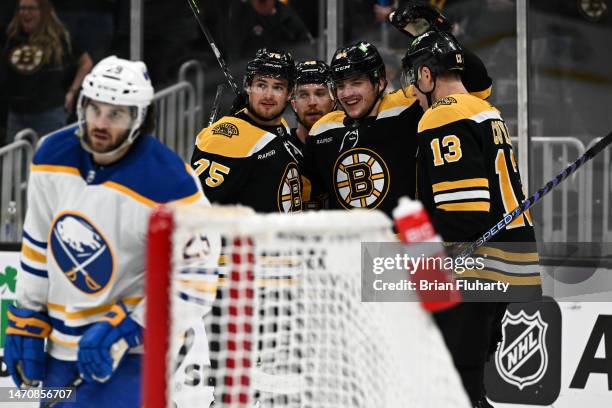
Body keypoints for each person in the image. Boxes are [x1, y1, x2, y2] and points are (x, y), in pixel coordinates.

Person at [3, 56, 216, 408]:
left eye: (116, 114)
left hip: (134, 352)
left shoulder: (171, 183)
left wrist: (127, 328)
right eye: (94, 109)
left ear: (139, 119)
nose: (100, 123)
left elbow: (197, 280)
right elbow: (40, 244)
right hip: (63, 347)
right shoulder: (51, 154)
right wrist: (27, 313)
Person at [403, 31, 541, 407]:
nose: (413, 90)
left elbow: (464, 209)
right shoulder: (485, 111)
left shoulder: (442, 114)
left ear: (428, 75)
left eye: (414, 79)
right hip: (513, 258)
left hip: (476, 262)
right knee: (469, 375)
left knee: (456, 378)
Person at [192, 48, 303, 213]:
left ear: (289, 94)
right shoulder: (224, 140)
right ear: (247, 86)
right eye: (261, 85)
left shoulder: (279, 124)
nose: (268, 95)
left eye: (278, 87)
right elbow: (196, 210)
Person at [0, 0, 92, 143]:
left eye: (31, 9)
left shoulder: (59, 37)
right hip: (16, 113)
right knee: (16, 162)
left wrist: (72, 91)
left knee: (48, 160)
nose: (25, 13)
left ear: (43, 12)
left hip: (48, 112)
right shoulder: (11, 36)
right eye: (22, 9)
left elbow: (85, 62)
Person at [289, 60, 335, 151]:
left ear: (334, 100)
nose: (312, 102)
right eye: (304, 95)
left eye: (320, 94)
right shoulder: (280, 147)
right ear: (293, 104)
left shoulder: (347, 143)